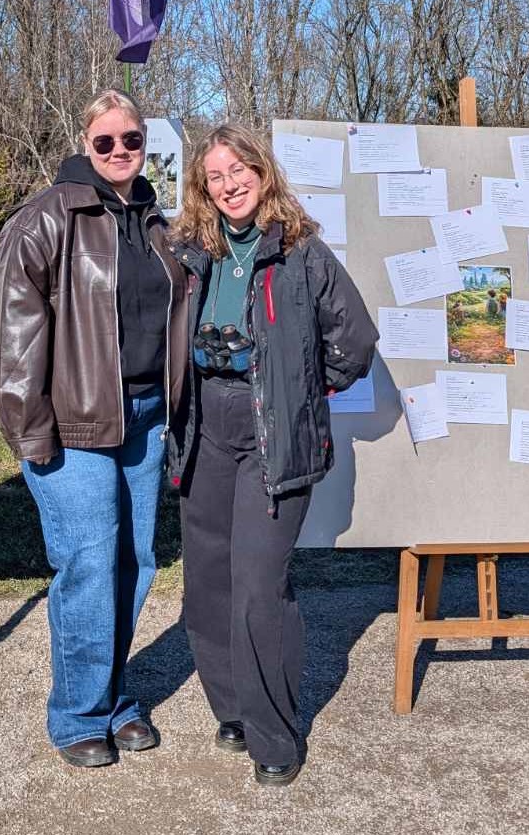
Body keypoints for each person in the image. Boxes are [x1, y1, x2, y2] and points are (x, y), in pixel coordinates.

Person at [167, 124, 377, 786]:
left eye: (239, 170)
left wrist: (300, 388)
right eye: (215, 176)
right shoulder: (191, 251)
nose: (229, 185)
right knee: (208, 580)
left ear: (262, 173)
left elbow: (354, 341)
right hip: (204, 423)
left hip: (272, 433)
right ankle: (232, 708)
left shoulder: (301, 252)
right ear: (202, 188)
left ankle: (274, 734)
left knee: (259, 585)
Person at [0, 90, 187, 768]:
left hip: (145, 418)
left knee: (135, 563)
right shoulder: (46, 218)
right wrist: (29, 429)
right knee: (89, 565)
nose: (119, 151)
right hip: (74, 422)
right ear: (84, 143)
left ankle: (114, 699)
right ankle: (77, 714)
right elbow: (14, 337)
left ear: (144, 143)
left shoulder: (155, 222)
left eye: (130, 139)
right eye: (105, 141)